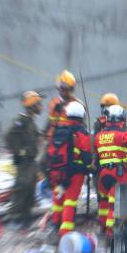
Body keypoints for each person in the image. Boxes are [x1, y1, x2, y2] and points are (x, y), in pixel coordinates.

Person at [46, 101, 92, 238]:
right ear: (81, 116)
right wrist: (88, 168)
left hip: (58, 171)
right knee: (70, 201)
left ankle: (55, 223)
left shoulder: (59, 129)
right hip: (75, 173)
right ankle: (65, 231)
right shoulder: (81, 132)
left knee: (58, 199)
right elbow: (86, 154)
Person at [93, 105, 127, 237]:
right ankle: (111, 234)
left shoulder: (99, 136)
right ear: (122, 119)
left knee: (103, 202)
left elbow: (96, 155)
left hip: (102, 175)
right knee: (116, 205)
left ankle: (102, 227)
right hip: (118, 174)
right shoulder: (124, 135)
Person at [4, 91, 43, 229]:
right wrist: (20, 151)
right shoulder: (21, 120)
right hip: (24, 161)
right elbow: (9, 136)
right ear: (32, 105)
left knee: (30, 188)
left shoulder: (31, 121)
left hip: (31, 161)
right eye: (38, 104)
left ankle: (25, 218)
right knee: (22, 187)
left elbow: (38, 137)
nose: (41, 106)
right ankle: (15, 219)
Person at [44, 70, 82, 139]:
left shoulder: (77, 104)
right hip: (54, 143)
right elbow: (49, 123)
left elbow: (81, 127)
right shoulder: (54, 102)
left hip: (69, 142)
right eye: (61, 88)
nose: (62, 91)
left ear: (71, 89)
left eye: (65, 88)